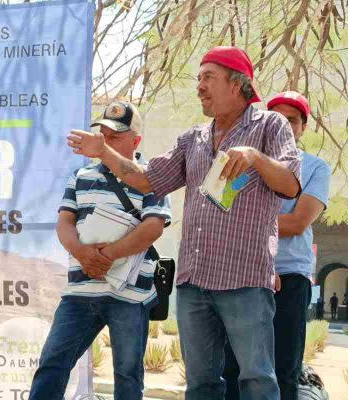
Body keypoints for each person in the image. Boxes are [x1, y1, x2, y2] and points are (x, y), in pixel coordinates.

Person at [68, 46, 301, 400]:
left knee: (256, 380)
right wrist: (104, 151)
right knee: (201, 384)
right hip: (194, 282)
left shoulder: (270, 125)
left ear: (238, 84)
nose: (200, 86)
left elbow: (289, 184)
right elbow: (147, 180)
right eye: (198, 79)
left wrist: (254, 157)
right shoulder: (193, 139)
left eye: (208, 77)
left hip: (245, 279)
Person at [29, 100, 172, 400]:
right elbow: (64, 223)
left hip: (130, 294)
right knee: (52, 364)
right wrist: (83, 254)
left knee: (128, 376)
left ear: (136, 140)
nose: (106, 140)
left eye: (115, 135)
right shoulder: (81, 177)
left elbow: (153, 227)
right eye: (103, 133)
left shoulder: (152, 178)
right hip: (81, 292)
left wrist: (106, 256)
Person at [223, 91, 331, 400]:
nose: (284, 125)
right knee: (232, 367)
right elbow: (221, 210)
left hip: (290, 279)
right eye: (277, 118)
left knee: (283, 368)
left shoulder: (315, 168)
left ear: (303, 127)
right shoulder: (243, 164)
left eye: (292, 120)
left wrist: (247, 221)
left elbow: (298, 223)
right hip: (241, 276)